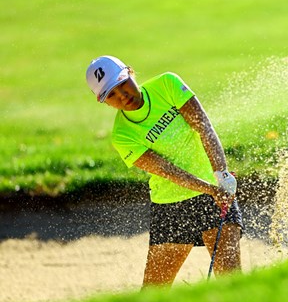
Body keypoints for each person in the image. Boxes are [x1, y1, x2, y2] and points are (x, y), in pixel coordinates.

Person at [85, 55, 243, 287]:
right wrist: (210, 188)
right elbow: (168, 171)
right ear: (105, 101)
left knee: (232, 282)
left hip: (215, 195)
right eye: (112, 95)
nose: (122, 95)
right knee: (154, 292)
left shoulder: (167, 84)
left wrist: (221, 174)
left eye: (122, 84)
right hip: (172, 207)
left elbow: (203, 126)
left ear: (130, 72)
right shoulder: (122, 136)